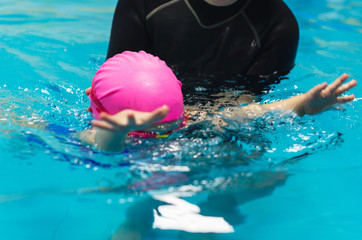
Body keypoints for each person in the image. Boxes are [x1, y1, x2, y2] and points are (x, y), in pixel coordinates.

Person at [83, 50, 357, 152]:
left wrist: (304, 104)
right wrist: (302, 105)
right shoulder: (196, 122)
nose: (162, 136)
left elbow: (255, 113)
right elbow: (255, 112)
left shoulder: (191, 121)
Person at [106, 0, 299, 79]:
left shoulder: (279, 25)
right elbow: (116, 79)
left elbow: (249, 108)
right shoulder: (143, 3)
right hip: (145, 115)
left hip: (223, 128)